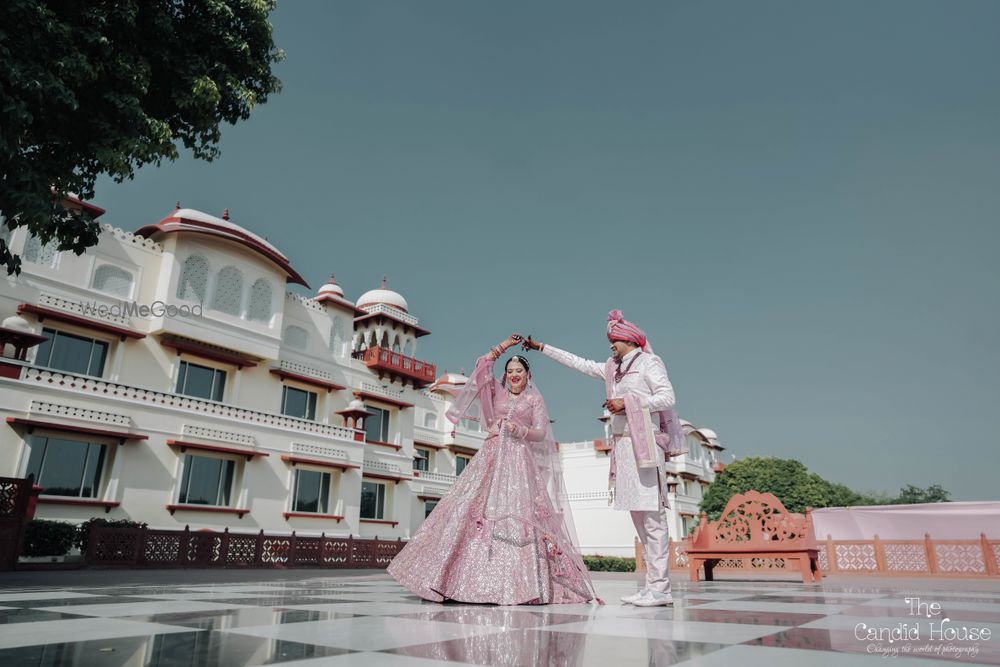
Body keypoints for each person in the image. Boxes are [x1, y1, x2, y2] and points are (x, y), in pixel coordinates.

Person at [387, 334, 600, 605]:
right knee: (470, 507)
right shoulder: (496, 393)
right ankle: (452, 580)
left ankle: (520, 584)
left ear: (527, 375)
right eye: (509, 371)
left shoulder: (534, 401)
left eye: (518, 371)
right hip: (491, 456)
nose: (513, 375)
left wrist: (520, 429)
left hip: (519, 463)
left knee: (518, 515)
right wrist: (505, 346)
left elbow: (540, 432)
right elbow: (482, 364)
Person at [521, 311, 686, 607]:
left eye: (613, 339)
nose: (610, 344)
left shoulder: (649, 363)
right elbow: (580, 364)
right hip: (622, 447)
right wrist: (542, 347)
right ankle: (652, 586)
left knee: (653, 518)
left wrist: (629, 402)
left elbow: (668, 398)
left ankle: (661, 588)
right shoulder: (613, 368)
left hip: (646, 444)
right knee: (638, 517)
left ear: (628, 339)